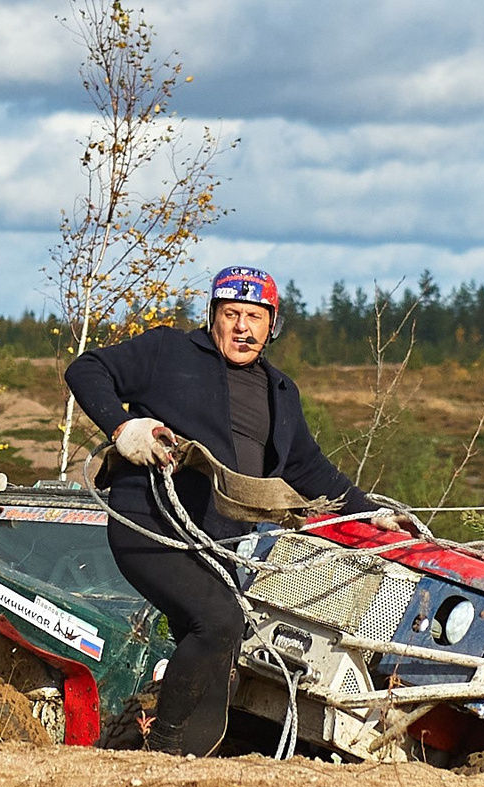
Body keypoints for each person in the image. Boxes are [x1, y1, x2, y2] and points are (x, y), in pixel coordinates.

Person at [64, 266, 379, 756]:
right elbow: (86, 370)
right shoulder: (168, 351)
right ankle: (163, 751)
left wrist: (370, 513)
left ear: (272, 325)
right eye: (231, 314)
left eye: (255, 316)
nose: (242, 327)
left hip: (221, 546)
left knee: (223, 645)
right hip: (150, 524)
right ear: (213, 316)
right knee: (218, 620)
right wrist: (123, 429)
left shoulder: (281, 394)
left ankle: (203, 757)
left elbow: (310, 469)